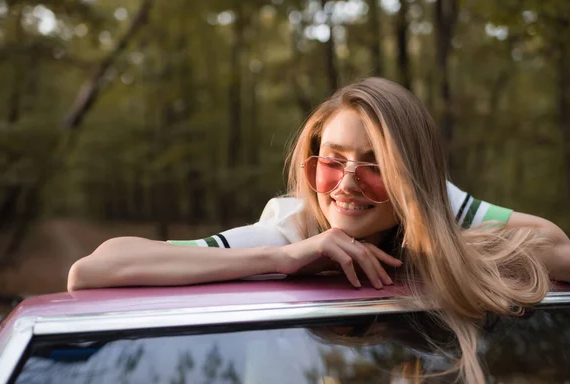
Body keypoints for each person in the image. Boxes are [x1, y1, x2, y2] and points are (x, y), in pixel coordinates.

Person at [68, 77, 569, 383]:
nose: (346, 184)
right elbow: (93, 271)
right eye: (332, 161)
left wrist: (440, 238)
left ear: (411, 179)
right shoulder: (291, 226)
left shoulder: (445, 206)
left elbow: (558, 250)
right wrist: (282, 258)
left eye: (375, 166)